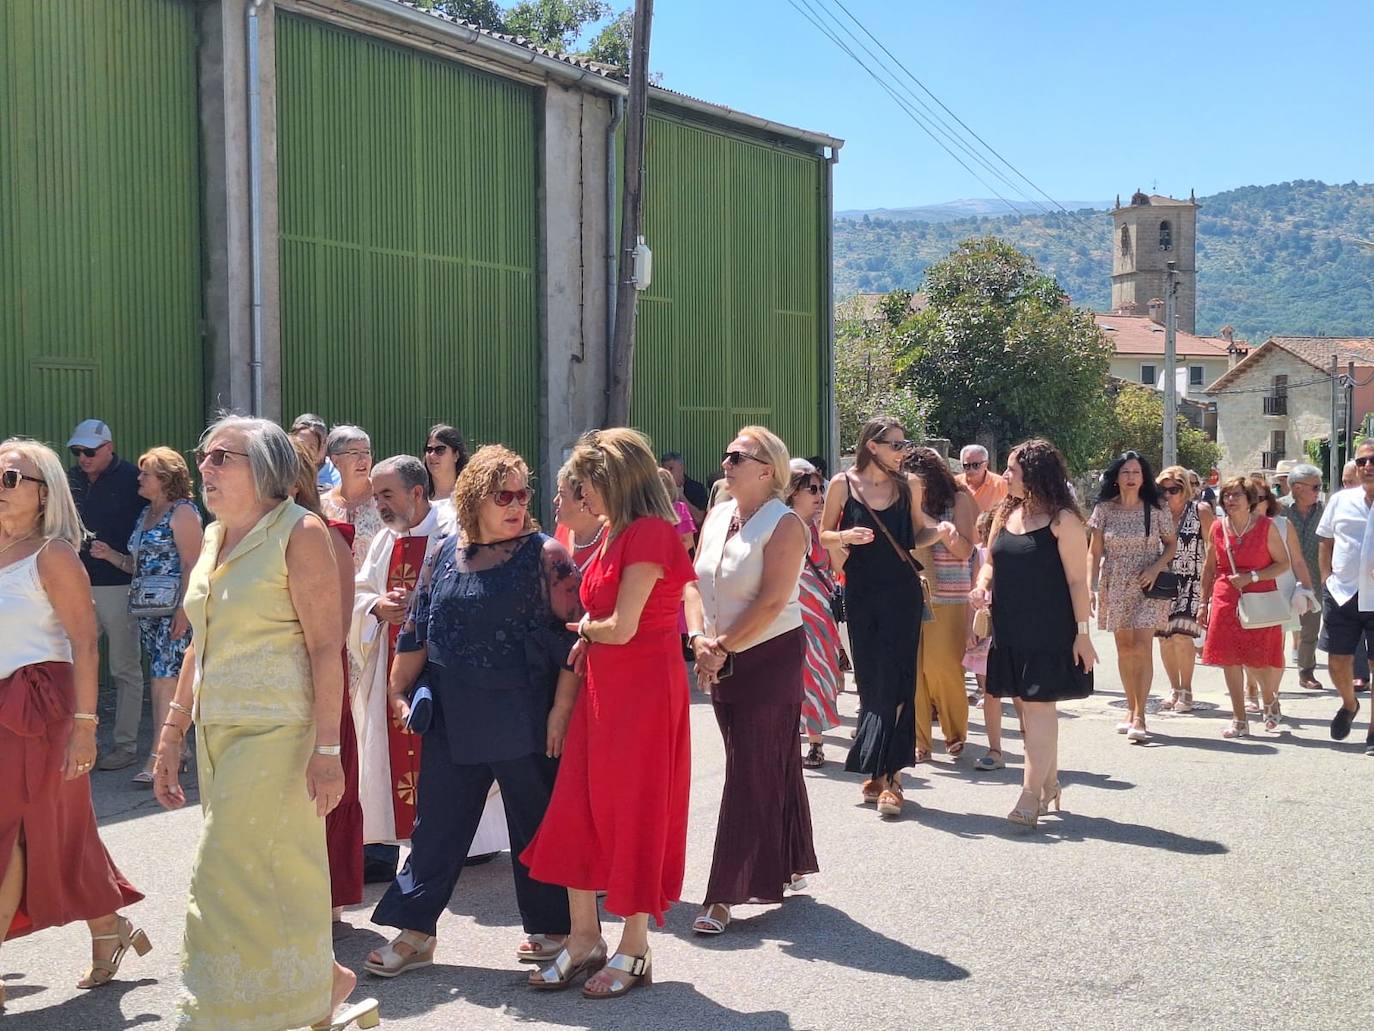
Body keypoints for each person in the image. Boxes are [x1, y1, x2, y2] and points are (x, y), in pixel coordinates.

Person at [152, 416, 377, 1030]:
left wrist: (328, 749)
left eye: (223, 456)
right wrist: (171, 735)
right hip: (216, 731)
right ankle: (322, 982)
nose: (206, 466)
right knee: (267, 869)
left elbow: (325, 646)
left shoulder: (299, 533)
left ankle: (215, 1014)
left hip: (279, 732)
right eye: (204, 455)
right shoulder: (217, 535)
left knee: (221, 868)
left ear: (268, 468)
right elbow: (201, 641)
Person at [366, 445, 578, 976]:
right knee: (437, 826)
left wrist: (559, 712)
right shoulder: (444, 553)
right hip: (454, 714)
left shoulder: (547, 555)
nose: (515, 503)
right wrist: (398, 690)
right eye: (501, 494)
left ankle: (551, 930)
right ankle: (415, 933)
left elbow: (578, 639)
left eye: (522, 492)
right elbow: (417, 628)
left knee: (534, 824)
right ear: (473, 499)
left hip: (526, 713)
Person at [522, 428, 696, 999]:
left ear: (613, 479)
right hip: (605, 695)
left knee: (634, 814)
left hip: (643, 696)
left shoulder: (649, 533)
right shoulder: (610, 536)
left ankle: (635, 947)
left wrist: (585, 631)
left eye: (586, 483)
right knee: (579, 810)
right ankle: (584, 939)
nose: (579, 494)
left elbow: (620, 627)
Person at [0, 439, 148, 1006]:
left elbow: (86, 643)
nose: (2, 483)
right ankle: (109, 928)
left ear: (43, 495)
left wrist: (86, 726)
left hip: (43, 706)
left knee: (14, 832)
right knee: (60, 828)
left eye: (12, 476)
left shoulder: (53, 554)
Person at [684, 426, 816, 937]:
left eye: (738, 455)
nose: (726, 461)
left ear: (768, 469)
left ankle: (724, 893)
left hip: (769, 656)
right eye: (726, 453)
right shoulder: (718, 515)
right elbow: (692, 583)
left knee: (747, 768)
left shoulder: (785, 525)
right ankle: (792, 855)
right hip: (720, 654)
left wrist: (720, 648)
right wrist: (699, 640)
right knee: (770, 758)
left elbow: (770, 602)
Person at [351, 455, 507, 886]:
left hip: (441, 665)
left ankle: (466, 843)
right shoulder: (385, 540)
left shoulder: (453, 532)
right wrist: (376, 606)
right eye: (376, 495)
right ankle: (412, 845)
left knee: (448, 752)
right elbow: (362, 591)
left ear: (416, 492)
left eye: (387, 494)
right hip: (393, 663)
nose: (379, 504)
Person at [969, 439, 1095, 828]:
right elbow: (991, 563)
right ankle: (1050, 782)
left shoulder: (1064, 521)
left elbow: (1078, 582)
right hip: (1010, 627)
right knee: (1030, 707)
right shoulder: (1005, 513)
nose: (1005, 476)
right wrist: (981, 585)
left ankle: (1029, 795)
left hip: (1050, 630)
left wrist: (1082, 634)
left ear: (1036, 476)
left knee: (1038, 708)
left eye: (1012, 470)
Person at [819, 417, 933, 818]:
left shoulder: (909, 486)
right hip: (862, 593)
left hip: (902, 592)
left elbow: (917, 534)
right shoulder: (841, 484)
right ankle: (873, 767)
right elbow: (823, 535)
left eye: (904, 445)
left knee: (900, 680)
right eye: (896, 445)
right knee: (870, 681)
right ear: (872, 446)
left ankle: (893, 777)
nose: (903, 452)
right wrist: (845, 537)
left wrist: (943, 533)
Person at [289, 440, 365, 926]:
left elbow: (330, 636)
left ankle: (328, 904)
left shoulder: (328, 538)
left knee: (323, 793)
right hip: (276, 688)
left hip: (315, 682)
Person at [66, 419, 145, 771]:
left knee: (124, 666)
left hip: (118, 584)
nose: (83, 458)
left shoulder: (133, 479)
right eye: (77, 451)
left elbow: (160, 519)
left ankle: (125, 745)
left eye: (89, 451)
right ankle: (80, 739)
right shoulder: (71, 480)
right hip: (77, 584)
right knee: (73, 662)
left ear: (109, 448)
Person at [1087, 451, 1177, 744]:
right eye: (1125, 472)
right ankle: (1129, 707)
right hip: (1115, 581)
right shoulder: (1104, 509)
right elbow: (1094, 551)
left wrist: (1155, 567)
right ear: (1116, 476)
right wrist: (1089, 585)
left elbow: (1171, 545)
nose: (1130, 477)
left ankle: (1140, 714)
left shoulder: (1157, 507)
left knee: (1142, 647)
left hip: (1146, 584)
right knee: (1125, 649)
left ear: (1144, 477)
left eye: (1136, 472)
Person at [126, 448, 203, 785]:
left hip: (173, 610)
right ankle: (178, 749)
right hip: (149, 611)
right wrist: (109, 556)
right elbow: (138, 563)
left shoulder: (183, 512)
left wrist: (185, 609)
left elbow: (193, 563)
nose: (139, 479)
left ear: (165, 479)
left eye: (147, 474)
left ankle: (160, 755)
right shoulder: (145, 514)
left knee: (164, 680)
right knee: (162, 679)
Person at [1199, 477, 1291, 738]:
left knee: (1256, 659)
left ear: (1250, 499)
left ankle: (1269, 697)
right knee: (1229, 659)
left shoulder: (1265, 527)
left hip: (1259, 597)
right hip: (1225, 596)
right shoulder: (1217, 527)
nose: (1230, 500)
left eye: (1236, 495)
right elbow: (1209, 567)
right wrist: (1203, 602)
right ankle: (1239, 718)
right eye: (1226, 495)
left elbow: (1282, 563)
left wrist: (1252, 577)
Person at [905, 446, 977, 762]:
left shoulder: (958, 500)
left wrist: (936, 526)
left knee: (942, 667)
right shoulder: (901, 503)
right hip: (908, 593)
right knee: (914, 670)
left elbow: (965, 550)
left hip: (949, 595)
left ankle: (954, 733)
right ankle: (920, 740)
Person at [1317, 440, 1374, 751]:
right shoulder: (1341, 500)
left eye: (1373, 461)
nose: (1368, 466)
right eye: (1362, 461)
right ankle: (1349, 704)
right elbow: (1325, 540)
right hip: (1343, 593)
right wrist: (1325, 578)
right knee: (1338, 661)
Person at [787, 459, 842, 768]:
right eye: (812, 489)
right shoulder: (780, 523)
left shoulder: (825, 527)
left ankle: (815, 743)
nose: (820, 495)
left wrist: (837, 539)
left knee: (817, 676)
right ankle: (787, 739)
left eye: (821, 488)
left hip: (819, 613)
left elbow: (838, 568)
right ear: (794, 491)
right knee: (789, 678)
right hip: (786, 610)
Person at [1153, 465, 1213, 715]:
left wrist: (1211, 584)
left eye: (1174, 489)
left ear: (1185, 490)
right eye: (1163, 489)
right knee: (1165, 639)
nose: (1168, 494)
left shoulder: (1200, 511)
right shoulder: (1157, 513)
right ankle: (1174, 688)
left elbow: (1213, 547)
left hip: (1192, 581)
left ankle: (1186, 690)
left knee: (1182, 636)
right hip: (1163, 582)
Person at [1281, 464, 1326, 690]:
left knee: (1310, 628)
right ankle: (1270, 672)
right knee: (1276, 626)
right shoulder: (1278, 509)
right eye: (1316, 486)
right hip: (1282, 575)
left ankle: (1306, 671)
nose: (1319, 491)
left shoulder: (1323, 510)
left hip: (1313, 576)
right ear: (1297, 488)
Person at [321, 425, 384, 572]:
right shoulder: (322, 506)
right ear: (336, 460)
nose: (363, 459)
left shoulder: (384, 499)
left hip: (376, 590)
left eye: (366, 452)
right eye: (354, 453)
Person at [423, 423, 468, 530]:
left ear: (456, 455)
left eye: (440, 450)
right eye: (429, 450)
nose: (432, 455)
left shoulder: (469, 496)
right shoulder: (419, 497)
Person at [291, 413, 341, 491]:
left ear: (324, 445)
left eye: (311, 447)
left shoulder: (338, 482)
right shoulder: (283, 475)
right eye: (300, 445)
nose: (304, 451)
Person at [955, 443, 1008, 514]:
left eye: (976, 465)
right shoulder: (955, 483)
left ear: (986, 464)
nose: (971, 469)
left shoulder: (1001, 484)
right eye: (966, 466)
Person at [660, 450, 708, 526]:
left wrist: (682, 497)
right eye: (664, 470)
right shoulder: (658, 491)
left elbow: (699, 519)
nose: (667, 473)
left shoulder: (697, 489)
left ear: (681, 467)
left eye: (671, 468)